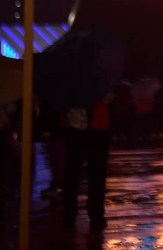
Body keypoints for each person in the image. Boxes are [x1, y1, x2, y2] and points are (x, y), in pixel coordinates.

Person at [62, 95, 112, 229]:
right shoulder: (102, 80)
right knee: (96, 173)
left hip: (75, 127)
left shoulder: (70, 82)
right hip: (98, 127)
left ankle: (69, 210)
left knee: (72, 171)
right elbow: (109, 98)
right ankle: (95, 214)